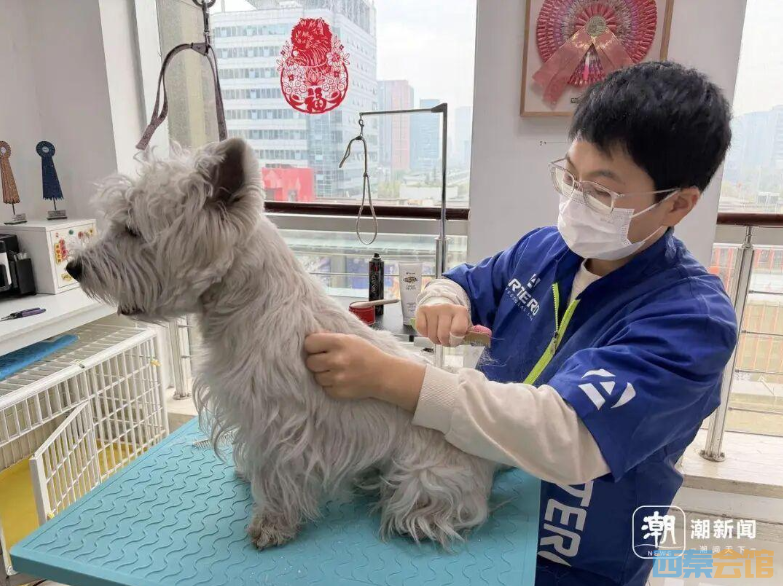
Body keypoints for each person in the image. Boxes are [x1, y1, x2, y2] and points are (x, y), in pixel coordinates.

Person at [303, 61, 738, 585]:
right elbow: (467, 281)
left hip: (578, 556)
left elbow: (568, 433)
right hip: (477, 508)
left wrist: (396, 379)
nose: (575, 201)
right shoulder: (546, 250)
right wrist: (443, 297)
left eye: (601, 192)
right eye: (569, 177)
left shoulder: (691, 322)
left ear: (678, 204)